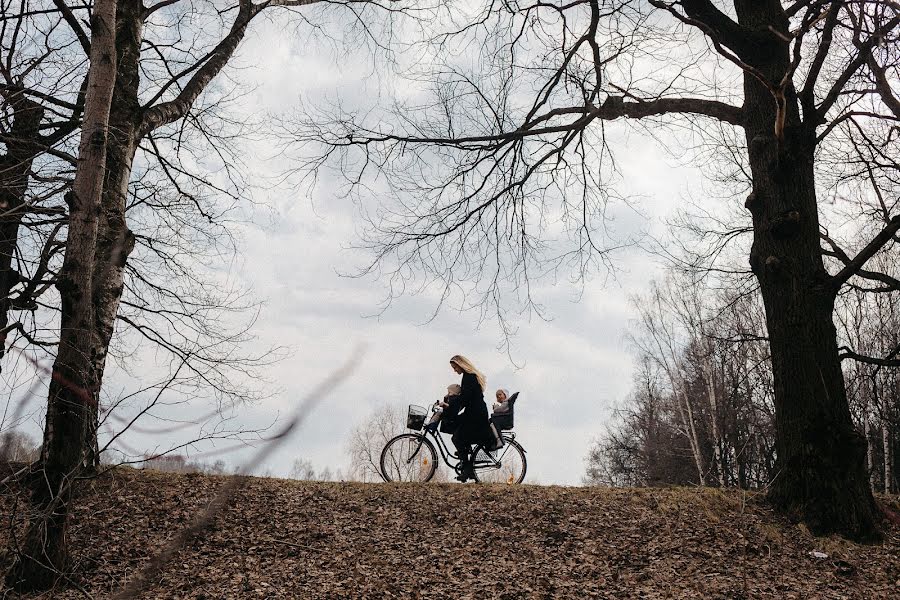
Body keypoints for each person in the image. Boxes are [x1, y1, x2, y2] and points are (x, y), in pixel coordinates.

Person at [448, 354, 494, 482]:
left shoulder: (469, 377)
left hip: (475, 414)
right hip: (474, 412)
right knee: (458, 432)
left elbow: (465, 398)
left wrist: (451, 406)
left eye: (455, 367)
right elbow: (465, 399)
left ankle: (467, 469)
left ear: (461, 364)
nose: (454, 370)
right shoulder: (468, 377)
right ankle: (467, 463)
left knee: (457, 438)